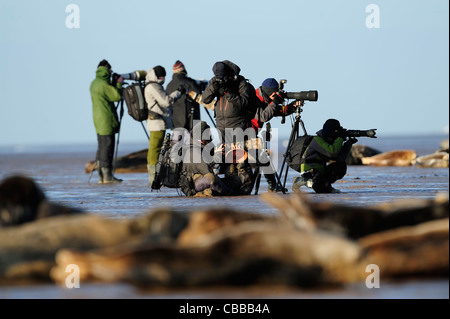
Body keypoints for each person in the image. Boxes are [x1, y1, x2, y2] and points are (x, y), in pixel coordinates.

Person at [201, 60, 256, 195]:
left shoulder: (241, 82)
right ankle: (233, 186)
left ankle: (246, 186)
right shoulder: (216, 81)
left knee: (240, 158)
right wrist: (213, 87)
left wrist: (228, 92)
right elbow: (205, 99)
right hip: (221, 125)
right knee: (228, 158)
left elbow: (243, 102)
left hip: (237, 124)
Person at [250, 78, 302, 192]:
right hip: (244, 134)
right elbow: (264, 116)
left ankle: (273, 186)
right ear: (269, 93)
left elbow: (276, 111)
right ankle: (272, 186)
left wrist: (292, 106)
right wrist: (275, 101)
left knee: (263, 157)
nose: (275, 97)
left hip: (251, 134)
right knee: (262, 157)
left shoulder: (265, 99)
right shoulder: (253, 99)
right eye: (274, 95)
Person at [292, 118, 358, 193]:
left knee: (340, 166)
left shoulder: (329, 141)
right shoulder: (317, 140)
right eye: (336, 132)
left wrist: (348, 144)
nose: (337, 134)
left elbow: (340, 158)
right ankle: (300, 181)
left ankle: (326, 185)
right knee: (322, 189)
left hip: (320, 171)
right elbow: (332, 152)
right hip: (309, 172)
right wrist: (340, 138)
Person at [144, 65, 184, 185]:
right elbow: (166, 102)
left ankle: (155, 176)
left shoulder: (152, 85)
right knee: (155, 149)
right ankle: (153, 177)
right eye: (161, 76)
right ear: (156, 76)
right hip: (157, 123)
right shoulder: (154, 86)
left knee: (154, 148)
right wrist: (177, 93)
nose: (163, 78)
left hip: (155, 122)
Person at [89, 59, 124, 184]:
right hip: (106, 119)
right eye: (110, 70)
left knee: (101, 146)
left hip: (98, 119)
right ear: (106, 70)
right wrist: (119, 84)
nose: (111, 72)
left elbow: (108, 94)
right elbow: (116, 96)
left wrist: (112, 83)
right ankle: (108, 176)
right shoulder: (103, 85)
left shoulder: (95, 83)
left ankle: (101, 177)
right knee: (108, 147)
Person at [179, 121, 233, 197]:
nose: (211, 139)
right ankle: (230, 193)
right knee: (211, 178)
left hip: (201, 181)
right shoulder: (193, 151)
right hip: (192, 187)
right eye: (209, 136)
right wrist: (218, 154)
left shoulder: (204, 147)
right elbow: (207, 170)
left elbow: (216, 166)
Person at [166, 60, 203, 133]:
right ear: (183, 70)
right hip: (191, 118)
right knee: (194, 142)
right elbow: (200, 96)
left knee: (178, 142)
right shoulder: (189, 82)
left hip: (175, 120)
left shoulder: (169, 85)